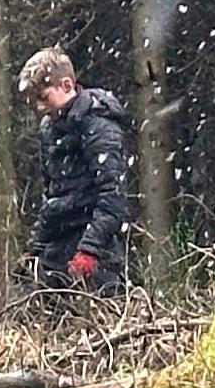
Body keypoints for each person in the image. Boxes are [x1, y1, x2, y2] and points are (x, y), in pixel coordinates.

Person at [18, 47, 131, 293]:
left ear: (67, 85)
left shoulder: (100, 126)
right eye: (34, 101)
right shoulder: (49, 129)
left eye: (44, 98)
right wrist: (35, 247)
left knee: (103, 315)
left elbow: (113, 195)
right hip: (57, 245)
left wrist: (90, 249)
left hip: (98, 243)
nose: (40, 108)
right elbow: (53, 194)